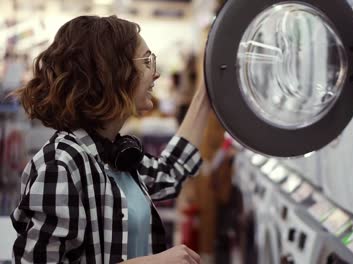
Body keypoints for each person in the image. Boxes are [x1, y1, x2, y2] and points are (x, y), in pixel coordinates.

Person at [9, 15, 210, 264]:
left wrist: (207, 91)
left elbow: (168, 172)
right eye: (147, 61)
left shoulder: (114, 156)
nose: (155, 74)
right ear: (112, 71)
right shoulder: (60, 164)